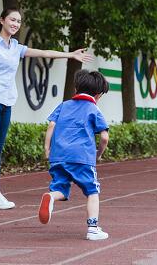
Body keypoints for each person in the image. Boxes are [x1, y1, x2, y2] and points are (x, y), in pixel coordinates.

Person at [0, 8, 93, 209]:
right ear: (2, 20)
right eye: (12, 19)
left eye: (19, 21)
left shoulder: (15, 46)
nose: (15, 24)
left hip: (7, 100)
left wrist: (70, 54)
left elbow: (44, 53)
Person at [38, 70, 110, 241]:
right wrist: (98, 154)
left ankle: (50, 197)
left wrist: (47, 149)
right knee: (92, 191)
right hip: (82, 158)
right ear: (98, 94)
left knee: (60, 188)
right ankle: (93, 228)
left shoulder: (63, 105)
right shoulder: (94, 109)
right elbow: (105, 138)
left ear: (76, 88)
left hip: (58, 156)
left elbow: (51, 126)